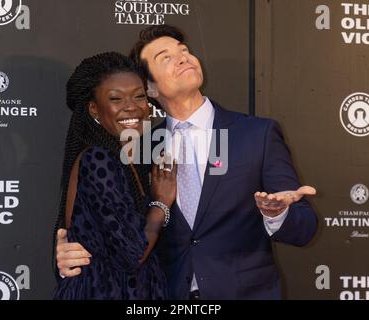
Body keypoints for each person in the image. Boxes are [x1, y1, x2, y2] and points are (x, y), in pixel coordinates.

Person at [55, 25, 318, 300]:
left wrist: (278, 214)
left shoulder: (257, 134)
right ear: (150, 88)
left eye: (184, 51)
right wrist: (69, 257)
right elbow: (116, 235)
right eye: (165, 57)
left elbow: (305, 228)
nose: (183, 58)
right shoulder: (137, 148)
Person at [52, 52, 177, 299]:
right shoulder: (99, 158)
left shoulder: (129, 160)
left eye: (139, 96)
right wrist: (161, 204)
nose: (132, 106)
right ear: (94, 110)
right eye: (116, 98)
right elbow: (133, 253)